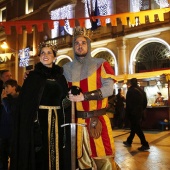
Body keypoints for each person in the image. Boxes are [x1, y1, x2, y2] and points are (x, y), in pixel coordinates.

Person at [63, 27, 120, 170]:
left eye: (83, 43)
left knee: (104, 161)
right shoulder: (66, 69)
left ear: (88, 45)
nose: (80, 46)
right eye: (76, 43)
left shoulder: (101, 64)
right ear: (73, 46)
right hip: (76, 123)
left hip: (96, 120)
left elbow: (109, 89)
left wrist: (84, 96)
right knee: (82, 162)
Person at [10, 44, 71, 170]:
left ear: (54, 57)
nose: (45, 55)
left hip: (59, 120)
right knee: (41, 153)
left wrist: (70, 97)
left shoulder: (61, 78)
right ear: (39, 57)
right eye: (42, 53)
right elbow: (26, 103)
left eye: (49, 53)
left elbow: (65, 99)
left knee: (58, 149)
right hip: (39, 121)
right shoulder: (33, 77)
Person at [123, 78, 150, 151]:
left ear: (131, 83)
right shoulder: (141, 90)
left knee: (136, 128)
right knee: (134, 127)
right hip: (139, 112)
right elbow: (145, 102)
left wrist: (127, 114)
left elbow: (128, 104)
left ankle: (145, 144)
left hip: (132, 113)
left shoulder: (130, 91)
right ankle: (129, 141)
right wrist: (141, 109)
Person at [0, 79, 19, 170]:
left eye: (7, 86)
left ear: (14, 87)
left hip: (12, 132)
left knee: (12, 155)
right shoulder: (6, 98)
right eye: (5, 87)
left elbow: (10, 111)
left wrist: (4, 100)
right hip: (4, 131)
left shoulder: (17, 99)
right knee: (2, 156)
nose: (5, 89)